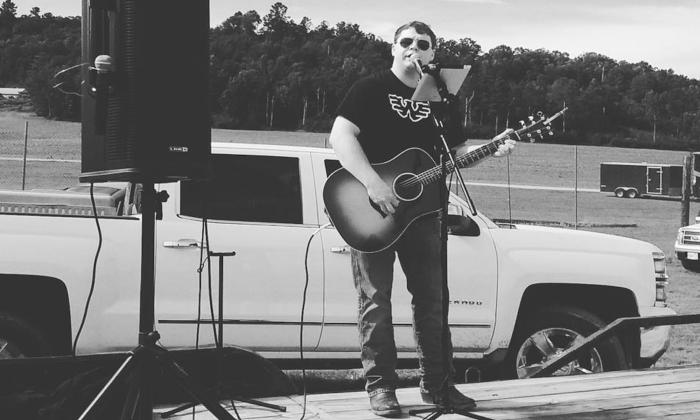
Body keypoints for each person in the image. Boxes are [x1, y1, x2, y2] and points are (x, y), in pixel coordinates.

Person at [328, 21, 515, 417]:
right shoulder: (370, 89)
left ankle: (437, 386)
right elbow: (340, 137)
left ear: (433, 55)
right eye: (406, 42)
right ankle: (381, 389)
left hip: (426, 214)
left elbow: (457, 152)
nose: (414, 48)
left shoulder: (441, 99)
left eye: (423, 44)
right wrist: (374, 184)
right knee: (375, 302)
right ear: (393, 49)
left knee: (432, 301)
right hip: (372, 208)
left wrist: (493, 148)